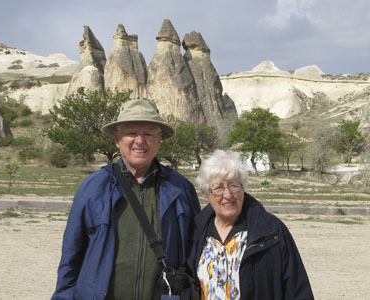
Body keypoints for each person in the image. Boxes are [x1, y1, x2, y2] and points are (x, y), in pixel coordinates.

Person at [52, 99, 201, 300]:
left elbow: (195, 252)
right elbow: (72, 254)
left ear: (159, 140)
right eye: (131, 133)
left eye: (148, 133)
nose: (140, 141)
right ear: (117, 139)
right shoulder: (94, 188)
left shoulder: (180, 188)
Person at [187, 150, 314, 300]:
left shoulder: (271, 231)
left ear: (243, 188)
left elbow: (297, 290)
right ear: (206, 194)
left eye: (234, 186)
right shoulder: (195, 231)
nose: (227, 195)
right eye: (219, 188)